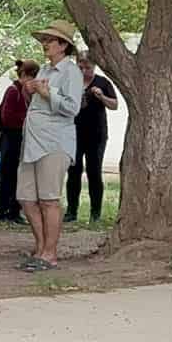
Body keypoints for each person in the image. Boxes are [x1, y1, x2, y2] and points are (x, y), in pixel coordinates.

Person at [18, 20, 83, 271]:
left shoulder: (71, 72)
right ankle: (41, 247)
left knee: (49, 200)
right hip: (33, 141)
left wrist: (48, 94)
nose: (45, 44)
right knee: (26, 197)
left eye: (50, 40)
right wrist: (30, 89)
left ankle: (50, 253)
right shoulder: (44, 70)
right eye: (44, 40)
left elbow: (72, 108)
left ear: (63, 45)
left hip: (55, 142)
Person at [67, 50, 118, 224]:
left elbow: (114, 105)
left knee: (94, 172)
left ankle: (95, 214)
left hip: (96, 135)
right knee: (73, 172)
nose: (83, 70)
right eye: (80, 66)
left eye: (87, 67)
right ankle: (71, 212)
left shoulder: (102, 82)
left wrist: (101, 96)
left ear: (94, 66)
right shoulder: (71, 82)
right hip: (74, 133)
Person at [0, 60, 40, 224]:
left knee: (19, 177)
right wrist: (27, 120)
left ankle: (15, 210)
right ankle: (3, 211)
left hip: (22, 139)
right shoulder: (13, 91)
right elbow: (7, 117)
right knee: (7, 175)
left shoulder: (29, 93)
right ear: (26, 76)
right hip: (11, 139)